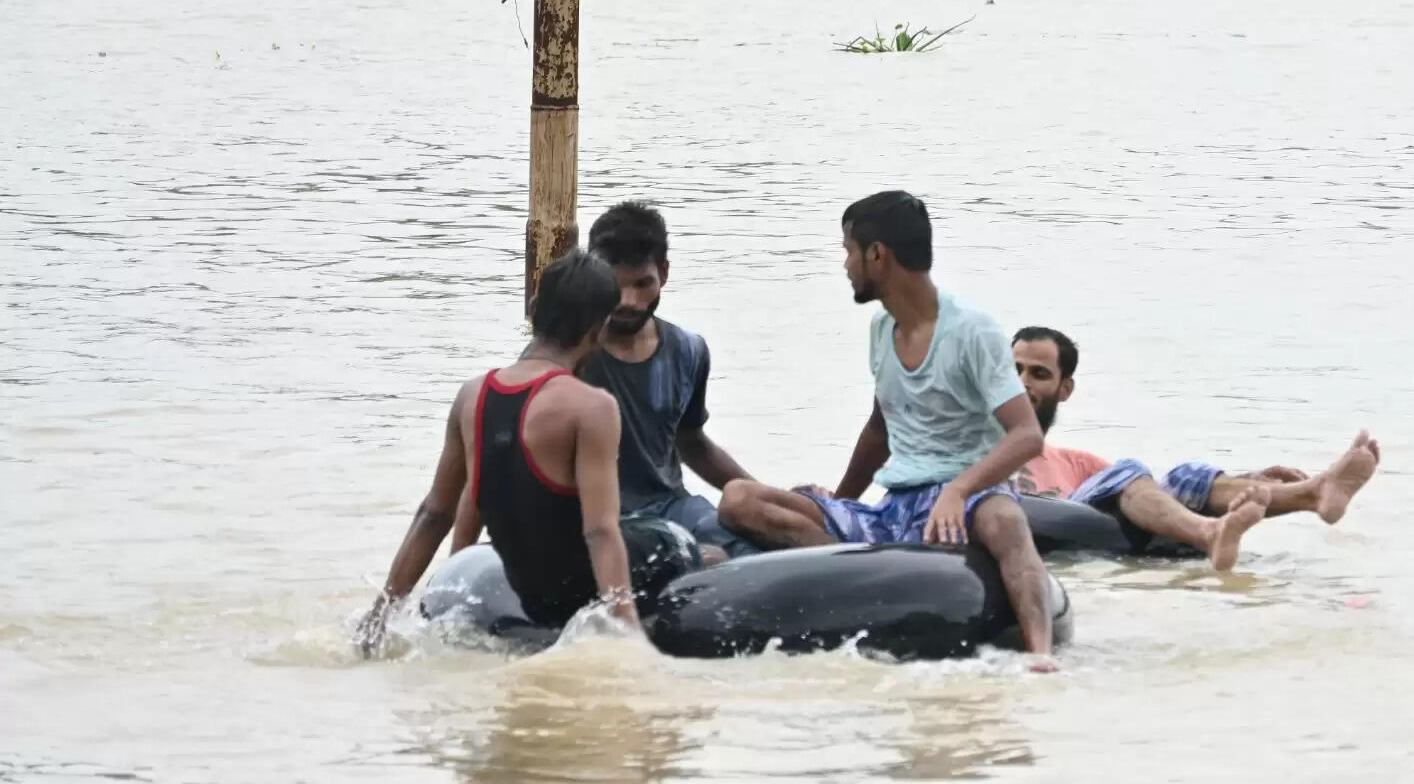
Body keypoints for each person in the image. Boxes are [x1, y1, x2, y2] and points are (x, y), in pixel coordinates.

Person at [718, 191, 1060, 671]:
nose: (845, 264)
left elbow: (1027, 435)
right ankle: (859, 574)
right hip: (895, 506)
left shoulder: (971, 331)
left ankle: (1040, 654)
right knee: (740, 498)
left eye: (848, 250)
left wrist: (959, 490)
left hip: (968, 501)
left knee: (1005, 519)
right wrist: (839, 502)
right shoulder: (882, 328)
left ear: (878, 255)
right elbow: (880, 430)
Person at [356, 251, 648, 658]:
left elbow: (434, 513)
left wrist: (381, 615)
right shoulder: (593, 407)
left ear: (533, 309)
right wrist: (628, 634)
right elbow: (600, 531)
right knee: (682, 544)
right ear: (598, 330)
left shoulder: (471, 396)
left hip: (523, 589)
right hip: (574, 593)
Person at [451, 202, 759, 562]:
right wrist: (461, 560)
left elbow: (691, 442)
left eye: (643, 284)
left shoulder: (689, 351)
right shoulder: (563, 355)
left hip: (670, 507)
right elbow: (497, 461)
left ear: (664, 273)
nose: (628, 301)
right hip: (592, 515)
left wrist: (757, 493)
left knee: (744, 546)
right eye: (617, 285)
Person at [1010, 326, 1382, 569]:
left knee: (1182, 475)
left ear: (1064, 389)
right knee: (1127, 468)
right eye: (1014, 371)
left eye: (1038, 374)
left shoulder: (1079, 464)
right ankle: (1210, 532)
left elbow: (1147, 496)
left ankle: (1313, 492)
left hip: (1092, 522)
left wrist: (1249, 481)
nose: (1022, 383)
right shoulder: (969, 448)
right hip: (1039, 531)